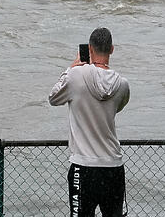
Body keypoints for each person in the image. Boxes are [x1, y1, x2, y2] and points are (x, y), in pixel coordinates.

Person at [48, 27, 130, 217]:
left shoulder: (75, 76)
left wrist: (72, 67)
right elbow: (115, 109)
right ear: (112, 49)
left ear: (90, 49)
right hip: (113, 166)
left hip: (83, 167)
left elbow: (53, 98)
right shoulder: (123, 85)